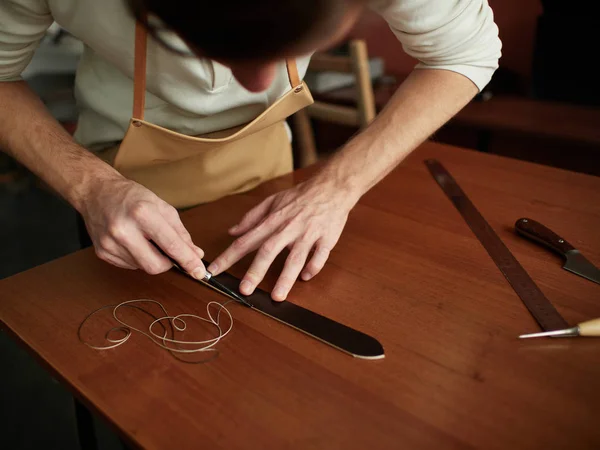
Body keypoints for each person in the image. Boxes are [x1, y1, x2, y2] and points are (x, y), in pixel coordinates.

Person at [0, 0, 501, 301]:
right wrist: (91, 188)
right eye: (205, 48)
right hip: (109, 176)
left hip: (268, 170)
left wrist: (335, 186)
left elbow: (467, 51)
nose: (256, 84)